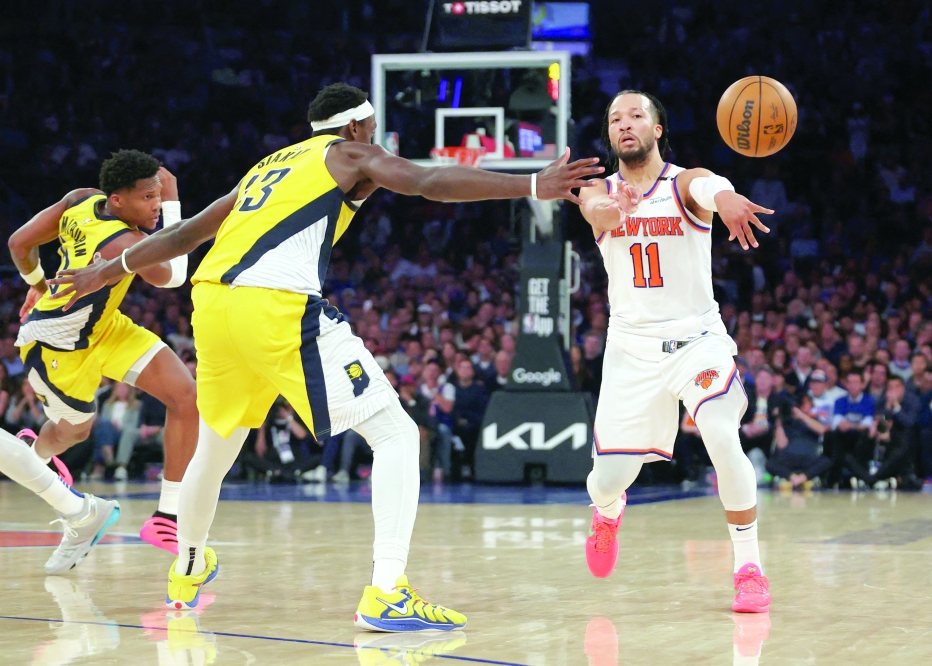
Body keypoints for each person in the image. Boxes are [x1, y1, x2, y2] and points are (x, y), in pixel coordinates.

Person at [51, 82, 601, 629]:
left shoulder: (265, 167)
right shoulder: (350, 152)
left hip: (213, 306)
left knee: (215, 451)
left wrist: (107, 270)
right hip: (275, 305)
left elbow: (191, 232)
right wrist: (532, 182)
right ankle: (388, 591)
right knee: (397, 434)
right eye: (374, 129)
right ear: (357, 127)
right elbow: (427, 181)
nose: (377, 139)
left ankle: (188, 569)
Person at [576, 89, 772, 612]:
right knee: (604, 481)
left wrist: (727, 197)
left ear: (656, 129)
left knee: (719, 434)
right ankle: (609, 511)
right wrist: (612, 208)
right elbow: (596, 212)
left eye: (636, 115)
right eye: (616, 118)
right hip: (631, 352)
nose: (625, 123)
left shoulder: (682, 182)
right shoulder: (599, 188)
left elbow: (709, 186)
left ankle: (748, 568)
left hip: (697, 341)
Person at [1, 151, 198, 574]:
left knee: (185, 395)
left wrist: (36, 284)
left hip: (105, 326)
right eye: (148, 198)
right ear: (119, 200)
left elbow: (20, 243)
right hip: (56, 344)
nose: (156, 205)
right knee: (72, 434)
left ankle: (167, 517)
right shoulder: (123, 242)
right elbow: (175, 275)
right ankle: (33, 451)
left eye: (159, 195)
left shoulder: (80, 199)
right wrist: (177, 199)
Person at [767, 393, 831, 490]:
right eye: (802, 403)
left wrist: (801, 415)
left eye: (808, 403)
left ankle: (801, 478)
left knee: (826, 461)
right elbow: (781, 445)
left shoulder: (814, 420)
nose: (805, 405)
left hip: (809, 458)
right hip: (789, 458)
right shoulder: (786, 421)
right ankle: (794, 478)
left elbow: (822, 430)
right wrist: (779, 421)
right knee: (770, 463)